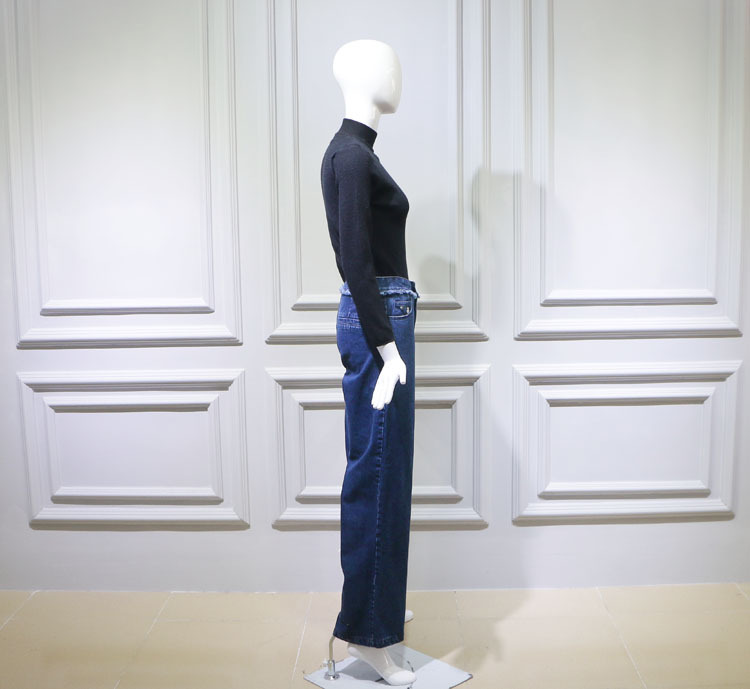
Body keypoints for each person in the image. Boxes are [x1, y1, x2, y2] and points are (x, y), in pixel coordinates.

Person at [320, 39, 419, 686]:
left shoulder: (357, 152)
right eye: (389, 64)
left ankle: (377, 602)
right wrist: (386, 348)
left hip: (383, 313)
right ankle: (367, 629)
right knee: (376, 474)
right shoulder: (351, 156)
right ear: (361, 74)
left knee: (387, 469)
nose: (396, 75)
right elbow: (354, 259)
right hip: (378, 317)